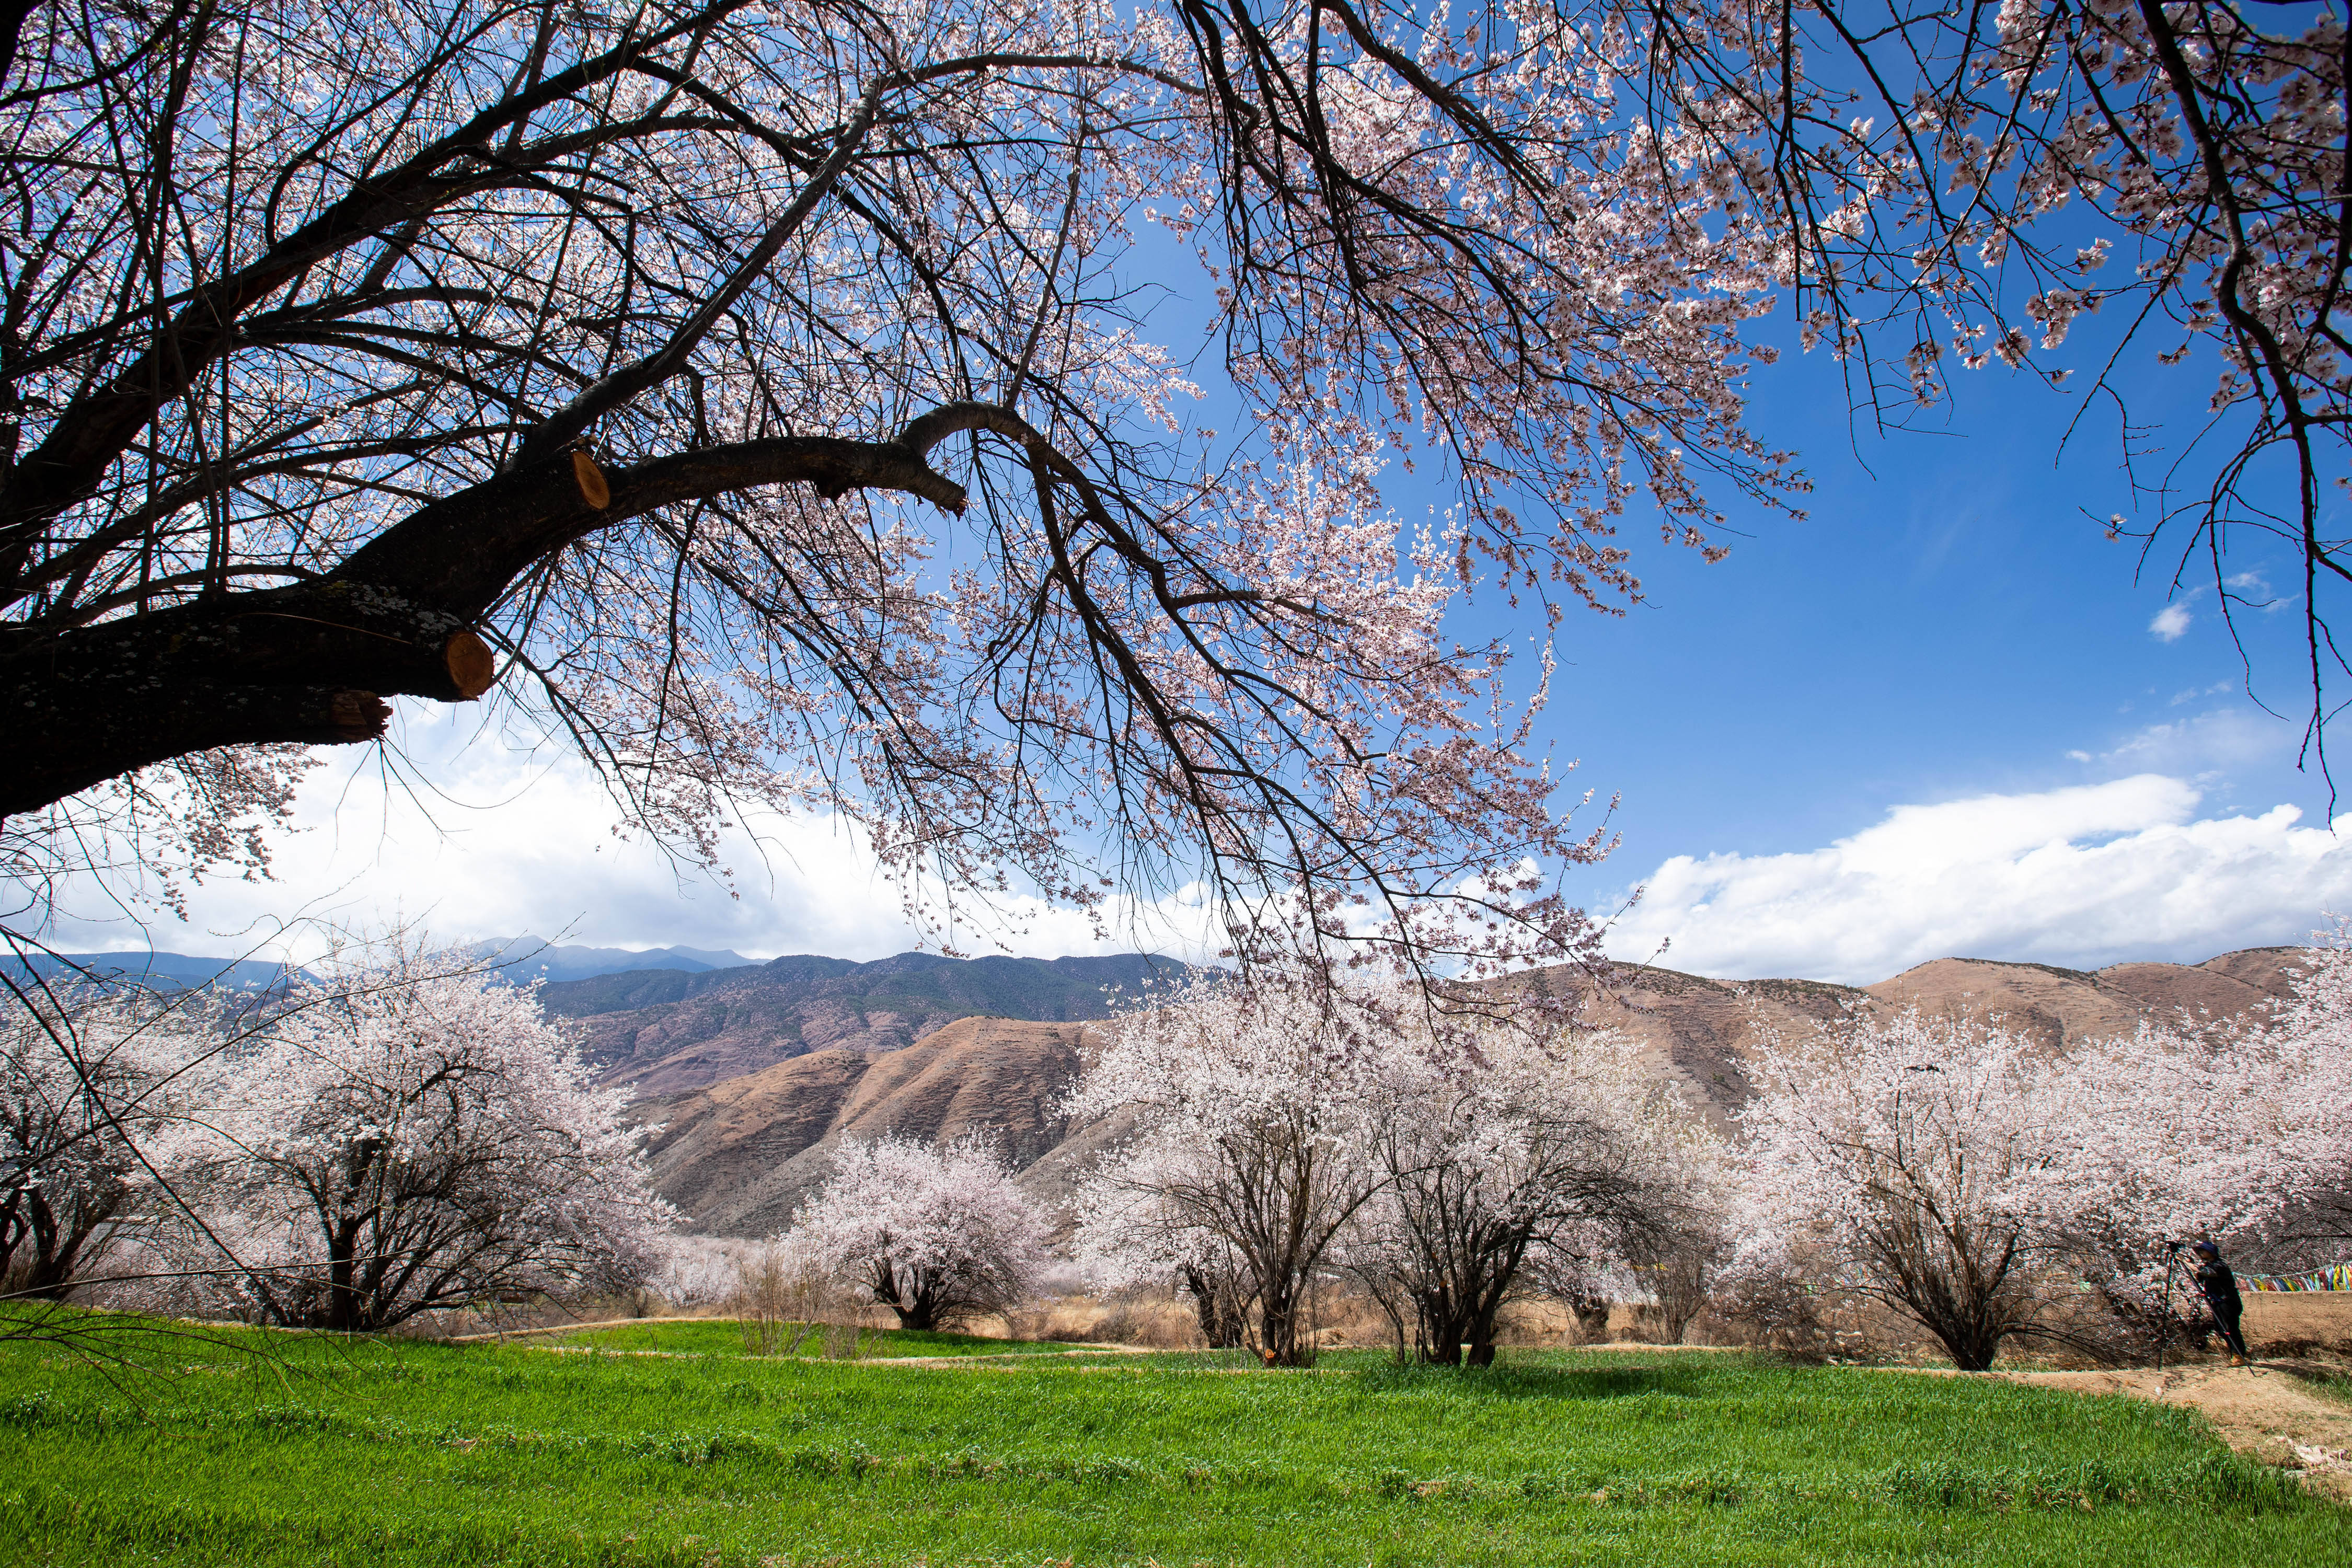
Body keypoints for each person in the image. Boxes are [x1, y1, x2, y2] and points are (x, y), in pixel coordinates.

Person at [2189, 1239, 2250, 1366]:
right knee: (2221, 1329)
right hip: (2217, 1301)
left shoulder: (2220, 1266)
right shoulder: (2209, 1266)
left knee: (2231, 1328)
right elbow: (2201, 1276)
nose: (2201, 1253)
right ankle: (2236, 1354)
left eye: (2203, 1250)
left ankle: (2239, 1356)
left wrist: (2187, 1264)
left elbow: (2205, 1272)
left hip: (2228, 1301)